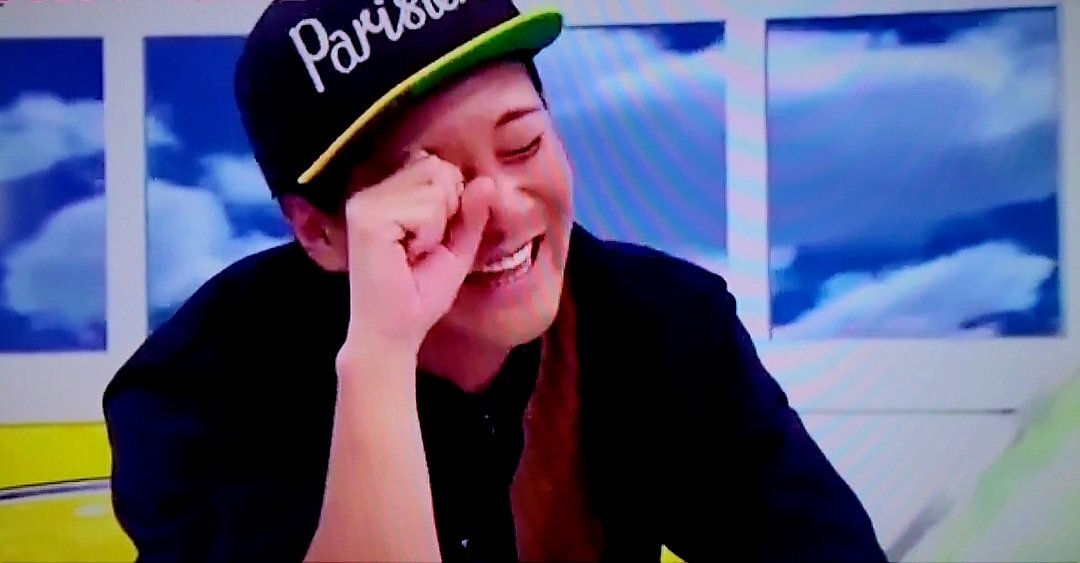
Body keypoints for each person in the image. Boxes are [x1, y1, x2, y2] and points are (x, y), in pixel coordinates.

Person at [103, 0, 887, 561]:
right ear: (319, 230)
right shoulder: (197, 391)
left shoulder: (666, 326)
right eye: (428, 188)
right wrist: (379, 358)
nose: (504, 211)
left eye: (522, 147)